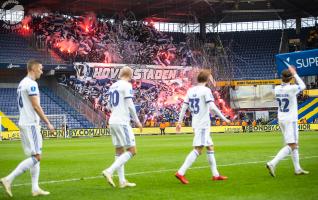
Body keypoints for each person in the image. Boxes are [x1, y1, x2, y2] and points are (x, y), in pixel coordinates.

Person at [1, 59, 55, 197]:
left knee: (34, 155)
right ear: (33, 68)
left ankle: (35, 188)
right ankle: (8, 179)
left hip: (24, 122)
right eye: (41, 69)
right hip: (30, 123)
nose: (42, 72)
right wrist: (48, 122)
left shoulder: (22, 83)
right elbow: (36, 106)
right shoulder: (31, 84)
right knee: (37, 157)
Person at [175, 70, 230, 184]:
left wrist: (179, 122)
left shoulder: (190, 90)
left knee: (210, 147)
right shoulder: (206, 90)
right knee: (198, 149)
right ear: (207, 79)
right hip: (203, 124)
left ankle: (215, 175)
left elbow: (184, 108)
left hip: (196, 123)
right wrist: (224, 118)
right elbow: (213, 107)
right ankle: (181, 172)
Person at [102, 66, 143, 188]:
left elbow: (109, 106)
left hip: (113, 120)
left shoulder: (112, 86)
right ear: (130, 75)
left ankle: (122, 181)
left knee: (119, 150)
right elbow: (130, 104)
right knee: (132, 151)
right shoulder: (127, 85)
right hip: (122, 121)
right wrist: (137, 120)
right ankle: (109, 171)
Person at [266, 66, 309, 177]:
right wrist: (295, 73)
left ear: (282, 78)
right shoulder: (292, 88)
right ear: (291, 78)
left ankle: (297, 169)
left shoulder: (276, 89)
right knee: (293, 145)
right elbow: (303, 86)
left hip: (281, 119)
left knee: (293, 144)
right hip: (291, 119)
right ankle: (272, 163)